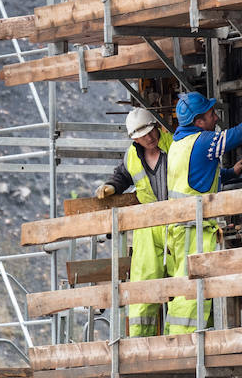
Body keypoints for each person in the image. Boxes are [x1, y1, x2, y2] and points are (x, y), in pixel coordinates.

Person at [164, 91, 242, 334]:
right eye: (210, 114)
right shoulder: (204, 140)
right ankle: (183, 346)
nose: (216, 117)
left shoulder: (179, 144)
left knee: (192, 289)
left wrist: (230, 173)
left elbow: (196, 178)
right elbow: (240, 133)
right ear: (198, 121)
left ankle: (193, 342)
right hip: (193, 230)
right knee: (192, 292)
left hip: (180, 229)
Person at [94, 107, 173, 337]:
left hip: (180, 222)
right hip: (149, 228)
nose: (149, 138)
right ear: (134, 138)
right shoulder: (132, 156)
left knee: (183, 287)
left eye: (151, 132)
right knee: (144, 288)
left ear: (157, 127)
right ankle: (140, 342)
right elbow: (122, 176)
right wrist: (111, 186)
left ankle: (180, 342)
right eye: (143, 135)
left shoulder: (175, 145)